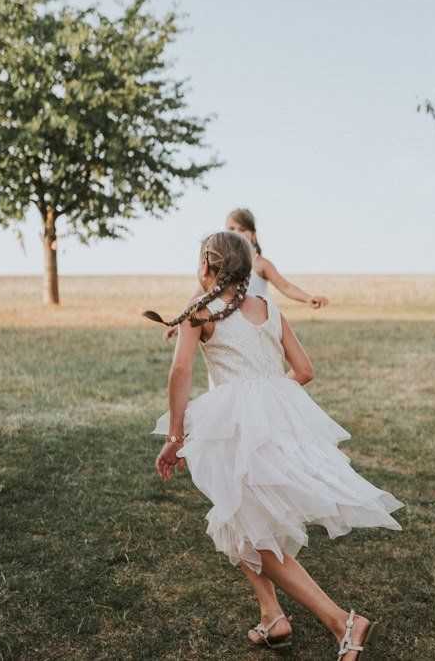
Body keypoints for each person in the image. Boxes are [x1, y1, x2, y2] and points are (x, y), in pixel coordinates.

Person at [144, 231, 402, 658]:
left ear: (207, 268)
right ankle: (271, 617)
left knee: (249, 526)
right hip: (274, 427)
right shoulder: (268, 308)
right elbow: (303, 370)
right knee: (239, 518)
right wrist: (268, 396)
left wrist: (175, 436)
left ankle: (343, 622)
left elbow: (180, 374)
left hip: (237, 431)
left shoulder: (200, 312)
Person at [162, 208, 329, 342]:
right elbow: (199, 295)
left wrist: (308, 298)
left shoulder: (261, 264)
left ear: (253, 235)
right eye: (232, 228)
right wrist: (181, 320)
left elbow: (285, 286)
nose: (237, 233)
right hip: (226, 327)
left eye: (243, 229)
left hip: (256, 323)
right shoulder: (218, 266)